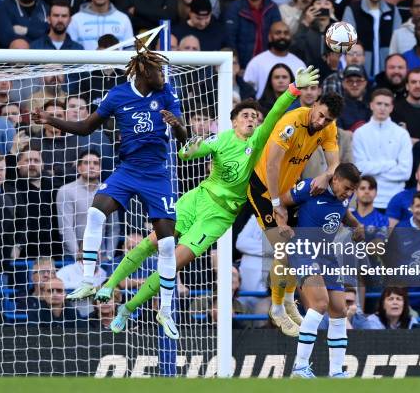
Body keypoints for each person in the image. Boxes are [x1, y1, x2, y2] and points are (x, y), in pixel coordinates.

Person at [99, 66, 319, 339]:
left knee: (173, 262)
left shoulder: (258, 142)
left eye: (255, 117)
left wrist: (294, 90)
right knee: (152, 241)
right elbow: (186, 154)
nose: (252, 120)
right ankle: (109, 284)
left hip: (219, 215)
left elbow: (275, 113)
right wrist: (183, 135)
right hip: (197, 198)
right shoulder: (221, 140)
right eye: (246, 116)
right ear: (234, 121)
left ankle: (128, 308)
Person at [32, 42, 187, 333]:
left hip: (156, 175)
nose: (163, 76)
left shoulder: (165, 94)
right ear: (145, 71)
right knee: (96, 212)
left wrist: (175, 123)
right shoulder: (118, 95)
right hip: (127, 170)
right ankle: (89, 280)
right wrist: (51, 118)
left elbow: (183, 135)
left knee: (167, 244)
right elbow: (87, 127)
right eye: (159, 71)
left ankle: (166, 311)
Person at [248, 85, 344, 338]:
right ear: (314, 105)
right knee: (284, 247)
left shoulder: (328, 127)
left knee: (295, 248)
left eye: (328, 119)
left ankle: (288, 300)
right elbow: (271, 164)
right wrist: (276, 204)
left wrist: (327, 174)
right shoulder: (291, 122)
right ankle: (277, 308)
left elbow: (335, 162)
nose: (321, 121)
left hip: (289, 190)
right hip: (263, 188)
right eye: (320, 114)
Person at [279, 163, 363, 378]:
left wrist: (356, 224)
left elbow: (343, 212)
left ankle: (336, 372)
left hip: (326, 253)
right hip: (304, 249)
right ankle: (299, 366)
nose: (349, 193)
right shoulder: (311, 187)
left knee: (339, 310)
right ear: (334, 179)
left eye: (352, 190)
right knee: (320, 303)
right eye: (346, 188)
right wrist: (282, 225)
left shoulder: (344, 196)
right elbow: (280, 202)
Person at [353, 88, 413, 210]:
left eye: (386, 105)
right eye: (379, 104)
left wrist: (372, 172)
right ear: (371, 105)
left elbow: (405, 172)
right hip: (366, 200)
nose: (382, 108)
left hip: (395, 199)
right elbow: (359, 169)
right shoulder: (360, 133)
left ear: (391, 108)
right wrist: (390, 164)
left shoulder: (402, 134)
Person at [342, 0, 402, 78]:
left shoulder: (393, 11)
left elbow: (397, 43)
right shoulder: (352, 10)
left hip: (386, 72)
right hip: (359, 73)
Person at [243, 21, 305, 99]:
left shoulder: (299, 64)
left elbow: (304, 91)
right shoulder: (256, 62)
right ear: (270, 37)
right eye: (278, 33)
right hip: (263, 109)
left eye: (286, 33)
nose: (282, 36)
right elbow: (247, 90)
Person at [224, 0, 282, 69]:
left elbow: (277, 37)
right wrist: (237, 66)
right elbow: (230, 40)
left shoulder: (273, 8)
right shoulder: (234, 8)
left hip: (268, 65)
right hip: (242, 67)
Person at [67, 0, 133, 51]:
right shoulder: (75, 20)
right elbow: (71, 49)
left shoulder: (123, 19)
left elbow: (129, 49)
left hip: (116, 61)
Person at [391, 68, 420, 142]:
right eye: (413, 82)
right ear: (407, 86)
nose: (417, 86)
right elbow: (396, 141)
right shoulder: (394, 110)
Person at [337, 64, 371, 131]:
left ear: (365, 83)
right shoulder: (336, 109)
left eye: (358, 81)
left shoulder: (374, 107)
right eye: (350, 81)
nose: (354, 84)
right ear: (343, 84)